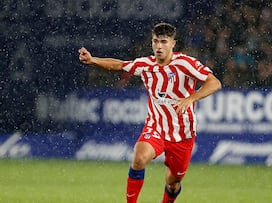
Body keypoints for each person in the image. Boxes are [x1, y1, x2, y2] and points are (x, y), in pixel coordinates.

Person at [78, 22, 222, 203]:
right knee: (139, 159)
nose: (159, 46)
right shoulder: (145, 64)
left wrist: (190, 98)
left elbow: (214, 83)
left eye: (163, 42)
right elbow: (120, 65)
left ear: (172, 44)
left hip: (182, 134)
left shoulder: (186, 63)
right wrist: (93, 60)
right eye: (155, 41)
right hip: (156, 127)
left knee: (173, 183)